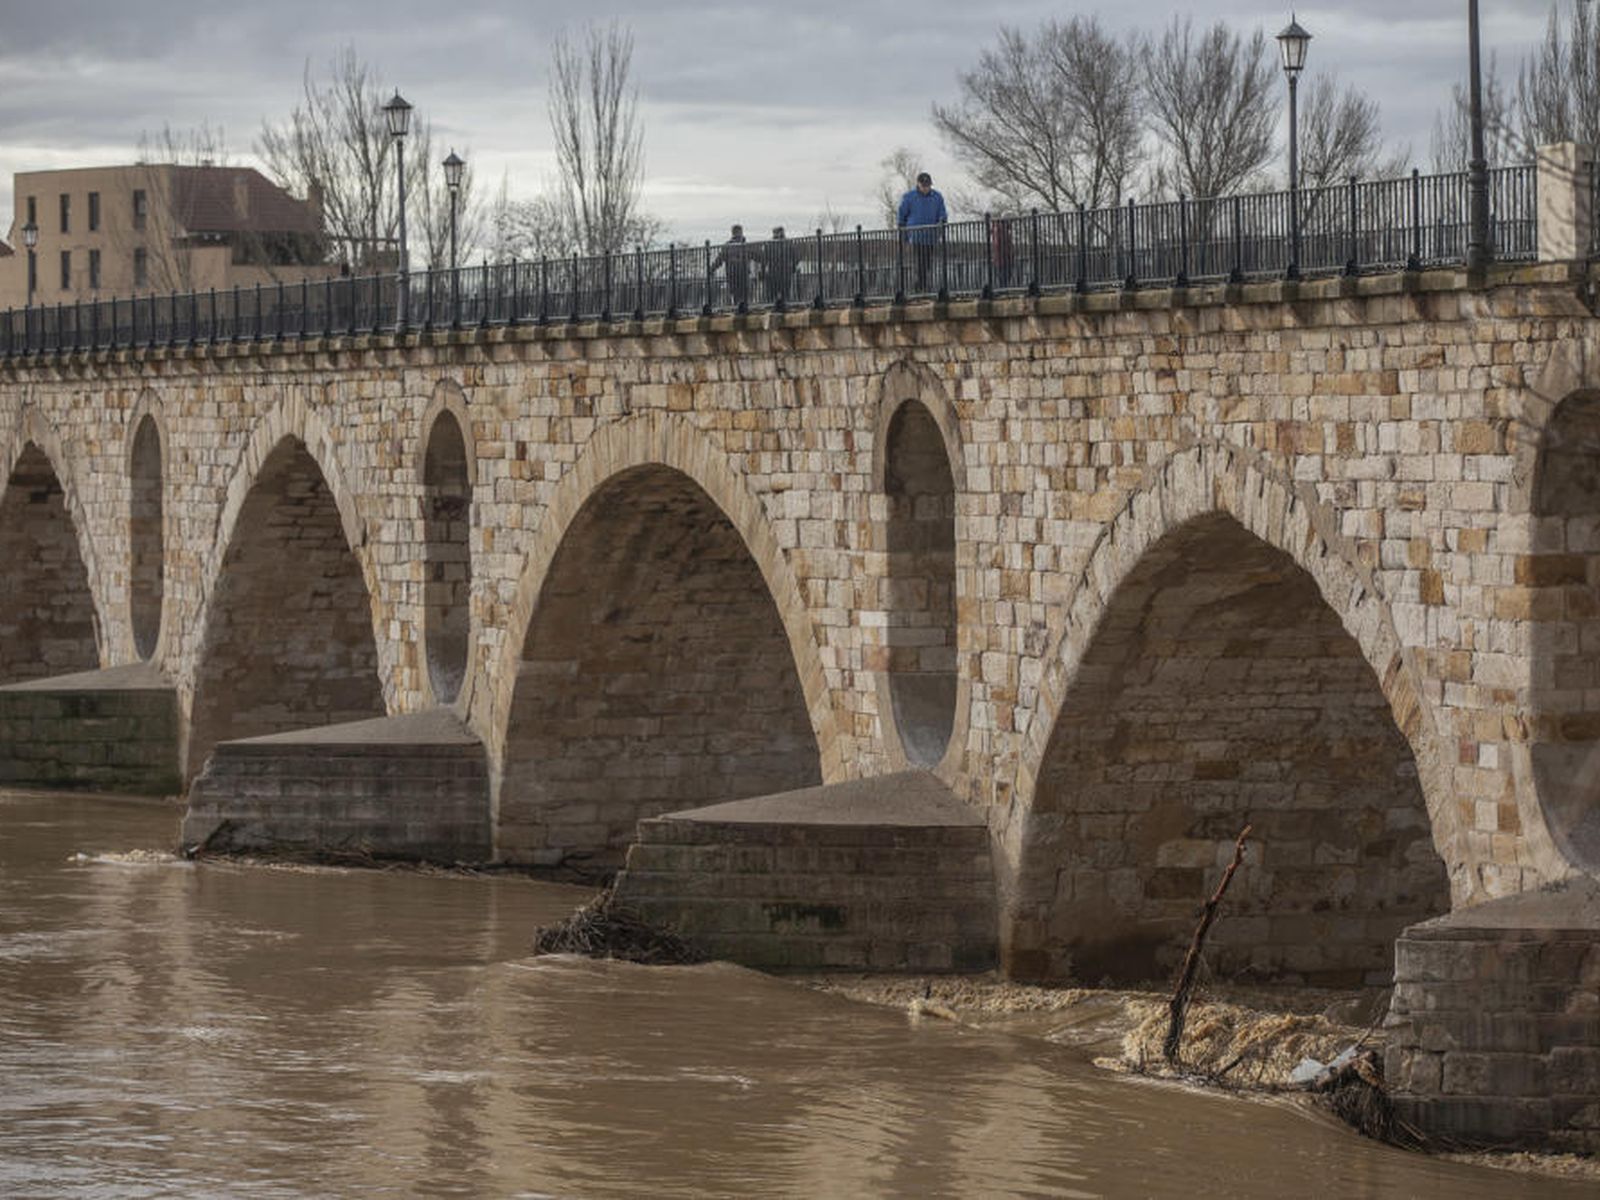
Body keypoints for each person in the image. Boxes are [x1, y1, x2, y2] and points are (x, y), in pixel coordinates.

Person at [897, 171, 947, 294]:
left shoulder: (937, 197)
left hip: (931, 236)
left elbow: (942, 213)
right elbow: (902, 213)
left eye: (928, 185)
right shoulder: (909, 197)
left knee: (927, 263)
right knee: (919, 263)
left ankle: (922, 287)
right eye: (923, 185)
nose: (926, 188)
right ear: (918, 184)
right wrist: (902, 230)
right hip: (915, 235)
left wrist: (942, 221)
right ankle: (920, 288)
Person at [710, 223, 749, 310]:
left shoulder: (727, 246)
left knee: (736, 294)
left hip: (732, 274)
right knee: (744, 294)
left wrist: (711, 269)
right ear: (741, 232)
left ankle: (738, 309)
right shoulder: (746, 245)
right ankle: (744, 308)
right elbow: (759, 257)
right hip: (743, 274)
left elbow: (719, 260)